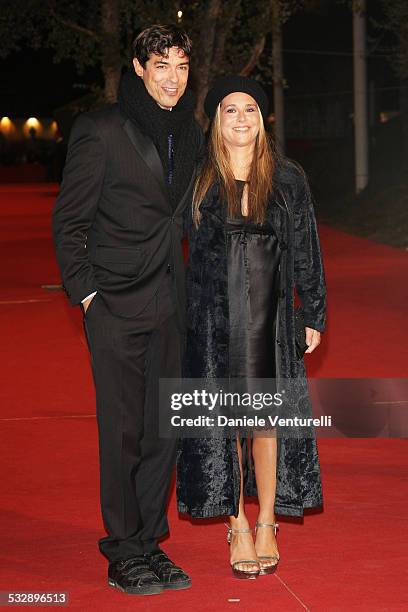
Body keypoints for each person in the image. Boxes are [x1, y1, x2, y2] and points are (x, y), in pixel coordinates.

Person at [52, 24, 203, 596]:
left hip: (171, 303)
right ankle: (122, 550)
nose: (172, 77)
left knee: (163, 430)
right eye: (161, 65)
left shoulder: (187, 133)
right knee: (123, 432)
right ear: (139, 68)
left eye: (182, 67)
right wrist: (89, 296)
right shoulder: (101, 128)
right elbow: (69, 223)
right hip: (115, 303)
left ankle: (149, 543)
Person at [177, 76, 326, 579]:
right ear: (217, 120)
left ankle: (266, 522)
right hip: (214, 319)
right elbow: (169, 246)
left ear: (262, 121)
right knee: (225, 423)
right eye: (229, 110)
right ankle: (236, 523)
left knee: (266, 419)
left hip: (273, 317)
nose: (240, 118)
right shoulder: (197, 178)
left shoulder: (287, 178)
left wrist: (312, 313)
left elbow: (307, 249)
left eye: (250, 110)